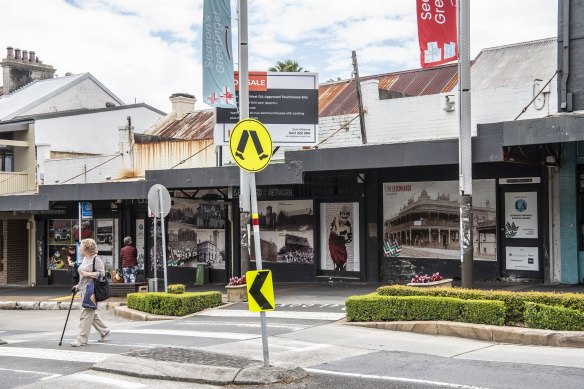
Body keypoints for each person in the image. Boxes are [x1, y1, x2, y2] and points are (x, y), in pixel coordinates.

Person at [71, 238, 110, 347]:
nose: (80, 248)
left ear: (87, 248)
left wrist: (87, 274)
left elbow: (101, 275)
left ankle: (82, 339)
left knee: (86, 314)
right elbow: (82, 275)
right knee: (91, 312)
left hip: (92, 291)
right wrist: (78, 286)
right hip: (84, 290)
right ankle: (104, 331)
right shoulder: (85, 258)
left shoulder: (96, 259)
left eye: (82, 246)